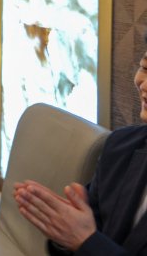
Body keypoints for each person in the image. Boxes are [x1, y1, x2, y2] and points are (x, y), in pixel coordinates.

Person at [14, 34, 147, 255]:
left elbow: (88, 239)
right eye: (145, 67)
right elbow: (88, 230)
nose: (144, 84)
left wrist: (86, 240)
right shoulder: (121, 147)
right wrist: (65, 231)